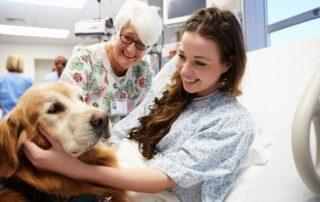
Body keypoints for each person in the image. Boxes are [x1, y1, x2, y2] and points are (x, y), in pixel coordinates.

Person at [23, 7, 254, 202]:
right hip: (108, 174)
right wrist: (96, 171)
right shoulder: (166, 92)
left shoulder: (230, 122)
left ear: (227, 64)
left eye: (200, 63)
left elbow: (163, 178)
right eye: (181, 56)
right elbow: (121, 133)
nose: (184, 71)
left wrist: (77, 170)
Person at [59, 0, 163, 128]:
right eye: (127, 38)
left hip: (122, 142)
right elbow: (65, 112)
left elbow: (141, 117)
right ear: (116, 31)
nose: (131, 49)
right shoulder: (83, 61)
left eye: (141, 44)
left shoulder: (144, 73)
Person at [0, 53, 34, 118]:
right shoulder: (28, 80)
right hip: (23, 118)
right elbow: (32, 102)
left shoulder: (1, 79)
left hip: (6, 118)